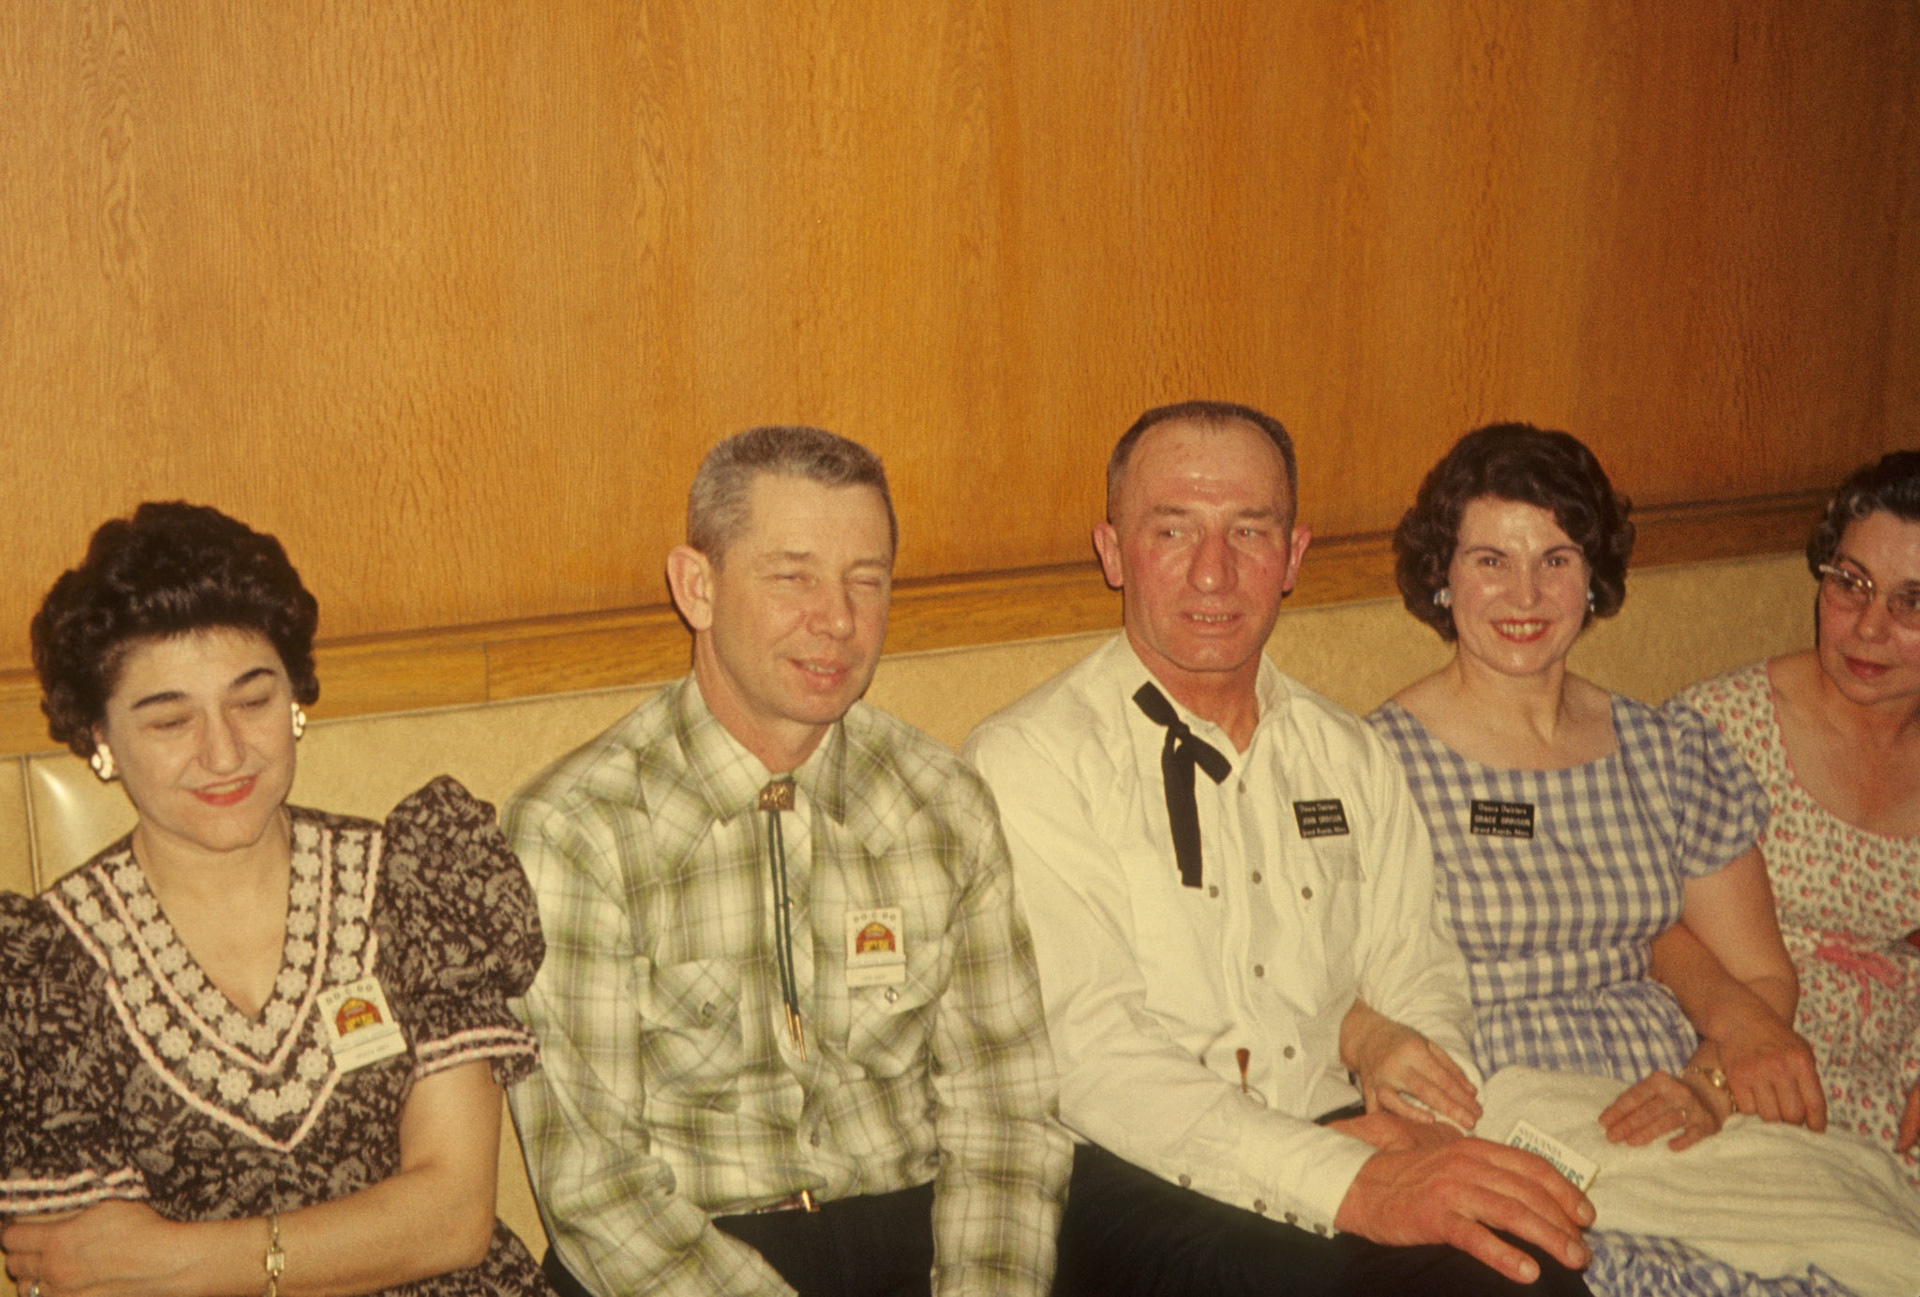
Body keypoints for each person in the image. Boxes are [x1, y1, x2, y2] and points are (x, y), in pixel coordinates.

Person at [964, 401, 1595, 1297]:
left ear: (1293, 556)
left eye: (1249, 532)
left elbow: (1417, 971)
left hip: (1346, 1135)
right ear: (1113, 552)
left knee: (1529, 1271)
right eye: (1174, 529)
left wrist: (1422, 1119)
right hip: (1137, 1178)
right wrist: (1343, 1179)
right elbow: (1094, 1058)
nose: (1214, 573)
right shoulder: (1030, 760)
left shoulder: (1350, 754)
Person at [505, 426, 1070, 1297]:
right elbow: (595, 1187)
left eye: (866, 580)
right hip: (678, 1258)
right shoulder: (580, 829)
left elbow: (1007, 1119)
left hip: (913, 1241)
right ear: (698, 586)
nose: (838, 619)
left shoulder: (942, 804)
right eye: (793, 575)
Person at [0, 502, 551, 1296]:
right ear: (99, 738)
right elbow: (89, 1274)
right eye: (168, 720)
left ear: (296, 697)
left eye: (252, 701)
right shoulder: (44, 971)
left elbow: (453, 1217)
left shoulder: (411, 880)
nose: (223, 752)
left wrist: (186, 1259)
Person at [1367, 424, 1846, 1294]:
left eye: (1556, 558)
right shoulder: (1378, 764)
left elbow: (1760, 977)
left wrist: (1707, 1085)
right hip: (1498, 1106)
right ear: (1443, 576)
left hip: (1672, 1097)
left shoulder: (1669, 751)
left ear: (1596, 577)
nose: (1525, 592)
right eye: (1489, 559)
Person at [1675, 450, 1920, 1186]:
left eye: (1915, 602)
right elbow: (1632, 913)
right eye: (1852, 583)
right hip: (1742, 1067)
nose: (1869, 628)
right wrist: (1740, 1019)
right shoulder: (1717, 730)